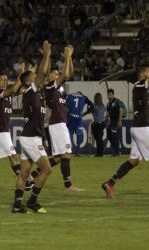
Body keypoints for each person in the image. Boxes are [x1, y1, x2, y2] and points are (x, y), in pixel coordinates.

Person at [102, 42, 149, 198]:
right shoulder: (140, 84)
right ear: (143, 74)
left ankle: (109, 183)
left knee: (134, 161)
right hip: (142, 127)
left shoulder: (143, 89)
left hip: (138, 127)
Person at [28, 45, 84, 192]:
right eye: (55, 74)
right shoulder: (49, 87)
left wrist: (69, 58)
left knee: (59, 157)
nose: (57, 75)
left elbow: (69, 73)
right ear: (49, 77)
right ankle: (68, 185)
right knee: (66, 154)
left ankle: (33, 175)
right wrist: (67, 58)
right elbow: (65, 75)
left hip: (59, 124)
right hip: (57, 124)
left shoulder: (56, 89)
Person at [11, 40, 51, 213]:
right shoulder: (29, 91)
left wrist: (46, 58)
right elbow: (42, 72)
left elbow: (44, 73)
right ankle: (32, 201)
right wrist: (47, 55)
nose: (37, 77)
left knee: (25, 173)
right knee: (47, 169)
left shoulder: (36, 93)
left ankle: (17, 204)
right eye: (33, 77)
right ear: (28, 82)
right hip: (31, 138)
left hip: (32, 136)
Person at [66, 91, 94, 156]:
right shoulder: (84, 97)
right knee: (79, 135)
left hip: (70, 117)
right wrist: (85, 113)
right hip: (79, 118)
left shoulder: (70, 96)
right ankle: (77, 152)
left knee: (69, 134)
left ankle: (69, 150)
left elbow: (63, 104)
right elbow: (92, 105)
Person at [106, 89, 123, 156]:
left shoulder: (117, 102)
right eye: (108, 95)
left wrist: (119, 121)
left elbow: (121, 110)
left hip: (116, 121)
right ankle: (116, 150)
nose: (108, 96)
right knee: (109, 135)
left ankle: (116, 152)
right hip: (112, 121)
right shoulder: (108, 103)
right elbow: (108, 112)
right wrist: (106, 118)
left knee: (114, 136)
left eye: (110, 94)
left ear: (113, 94)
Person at [91, 92, 106, 157]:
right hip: (102, 123)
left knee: (98, 139)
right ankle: (101, 153)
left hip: (97, 124)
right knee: (100, 139)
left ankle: (99, 153)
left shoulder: (95, 106)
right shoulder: (103, 106)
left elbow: (91, 111)